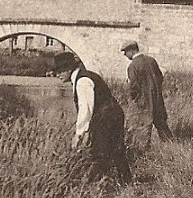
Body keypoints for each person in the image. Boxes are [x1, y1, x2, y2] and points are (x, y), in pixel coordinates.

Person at [50, 51, 132, 183]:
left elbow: (85, 109)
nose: (57, 74)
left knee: (100, 152)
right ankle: (126, 182)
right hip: (112, 114)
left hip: (106, 117)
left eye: (60, 70)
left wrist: (79, 134)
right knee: (117, 150)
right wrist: (88, 130)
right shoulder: (86, 76)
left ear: (69, 69)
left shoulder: (82, 81)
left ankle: (91, 183)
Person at [121, 40, 173, 150]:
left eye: (126, 52)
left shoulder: (133, 66)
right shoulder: (151, 61)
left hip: (143, 102)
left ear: (132, 50)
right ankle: (171, 148)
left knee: (143, 128)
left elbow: (133, 86)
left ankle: (143, 152)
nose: (125, 55)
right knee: (161, 125)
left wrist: (134, 99)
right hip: (157, 99)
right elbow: (160, 77)